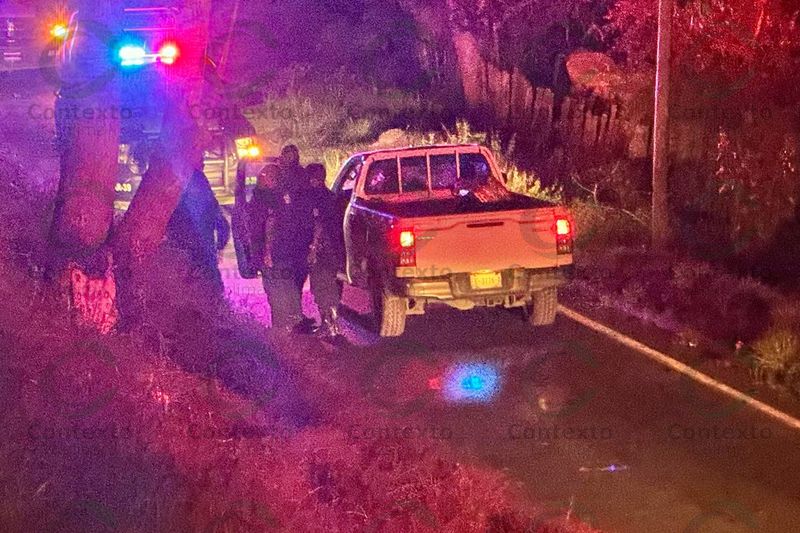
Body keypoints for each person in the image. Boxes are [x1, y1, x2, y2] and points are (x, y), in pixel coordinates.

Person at [252, 145, 315, 333]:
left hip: (289, 244)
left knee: (288, 284)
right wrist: (266, 251)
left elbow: (292, 214)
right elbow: (265, 224)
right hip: (277, 249)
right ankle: (284, 325)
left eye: (294, 155)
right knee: (279, 287)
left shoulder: (288, 185)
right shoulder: (265, 197)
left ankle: (292, 321)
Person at [166, 165, 230, 295]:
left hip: (182, 259)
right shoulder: (208, 204)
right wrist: (219, 248)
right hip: (205, 258)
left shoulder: (174, 206)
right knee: (211, 296)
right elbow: (222, 225)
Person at [306, 163, 345, 342]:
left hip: (323, 249)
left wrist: (313, 247)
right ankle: (333, 325)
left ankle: (329, 326)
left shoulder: (316, 198)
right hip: (335, 248)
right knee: (331, 285)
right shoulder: (332, 197)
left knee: (321, 286)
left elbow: (319, 224)